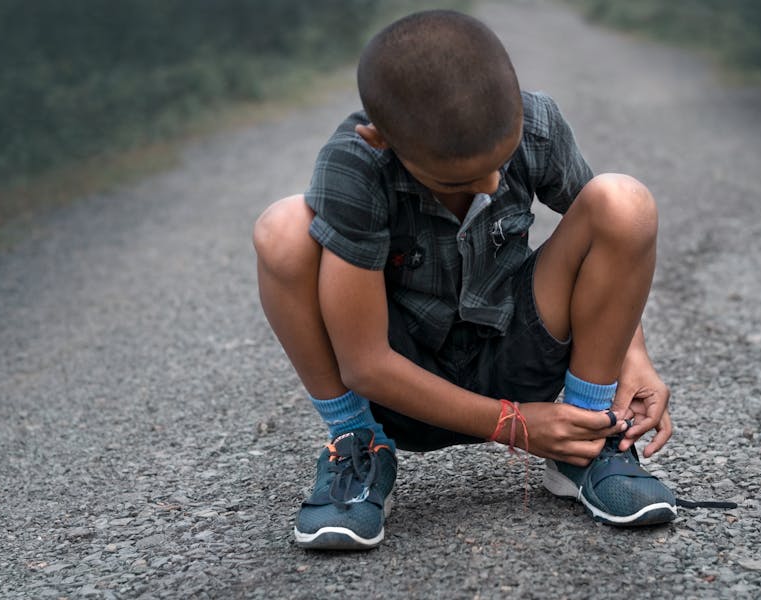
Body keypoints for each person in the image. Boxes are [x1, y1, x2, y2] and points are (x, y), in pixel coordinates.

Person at [253, 9, 677, 550]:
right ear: (381, 140)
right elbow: (365, 361)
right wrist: (515, 425)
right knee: (284, 228)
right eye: (457, 179)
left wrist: (634, 360)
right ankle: (359, 446)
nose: (491, 182)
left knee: (625, 203)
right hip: (400, 388)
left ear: (514, 104)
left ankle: (585, 438)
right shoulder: (355, 165)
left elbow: (613, 247)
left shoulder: (536, 121)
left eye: (501, 159)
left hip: (518, 354)